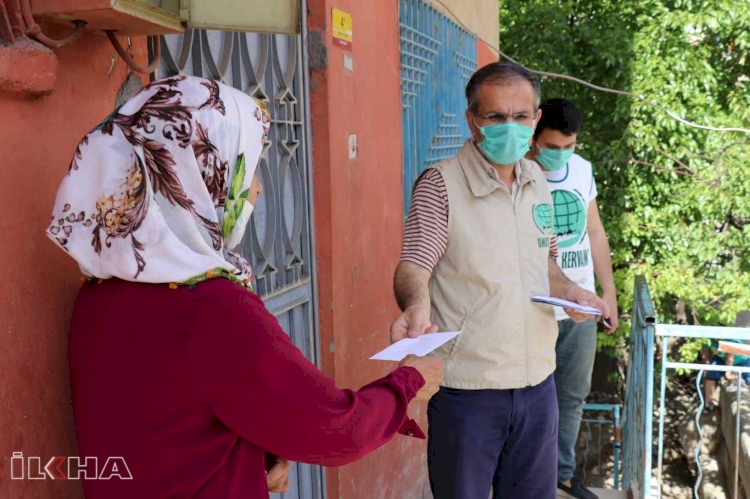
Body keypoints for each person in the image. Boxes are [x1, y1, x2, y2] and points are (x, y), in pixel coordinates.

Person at [46, 76, 444, 499]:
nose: (257, 188)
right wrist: (408, 381)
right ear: (201, 175)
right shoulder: (213, 309)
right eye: (248, 168)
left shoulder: (97, 294)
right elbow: (335, 428)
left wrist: (260, 454)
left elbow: (174, 427)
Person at [390, 61, 611, 499]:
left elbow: (544, 263)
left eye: (521, 116)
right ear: (473, 120)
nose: (510, 127)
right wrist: (415, 306)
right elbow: (414, 265)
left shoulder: (537, 183)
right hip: (469, 391)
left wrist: (571, 291)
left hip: (537, 387)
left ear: (535, 120)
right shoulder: (441, 184)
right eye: (495, 117)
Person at [526, 98, 618, 499]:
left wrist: (608, 294)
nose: (561, 155)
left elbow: (595, 232)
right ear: (534, 138)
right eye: (553, 146)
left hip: (580, 307)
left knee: (573, 395)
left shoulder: (582, 170)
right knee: (531, 397)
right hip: (536, 305)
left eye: (569, 146)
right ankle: (530, 477)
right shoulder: (521, 171)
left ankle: (562, 474)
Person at [701, 338, 750, 410]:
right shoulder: (709, 340)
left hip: (743, 359)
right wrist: (707, 364)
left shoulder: (733, 340)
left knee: (749, 378)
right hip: (722, 358)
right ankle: (708, 403)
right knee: (710, 375)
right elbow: (705, 351)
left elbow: (730, 358)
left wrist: (728, 373)